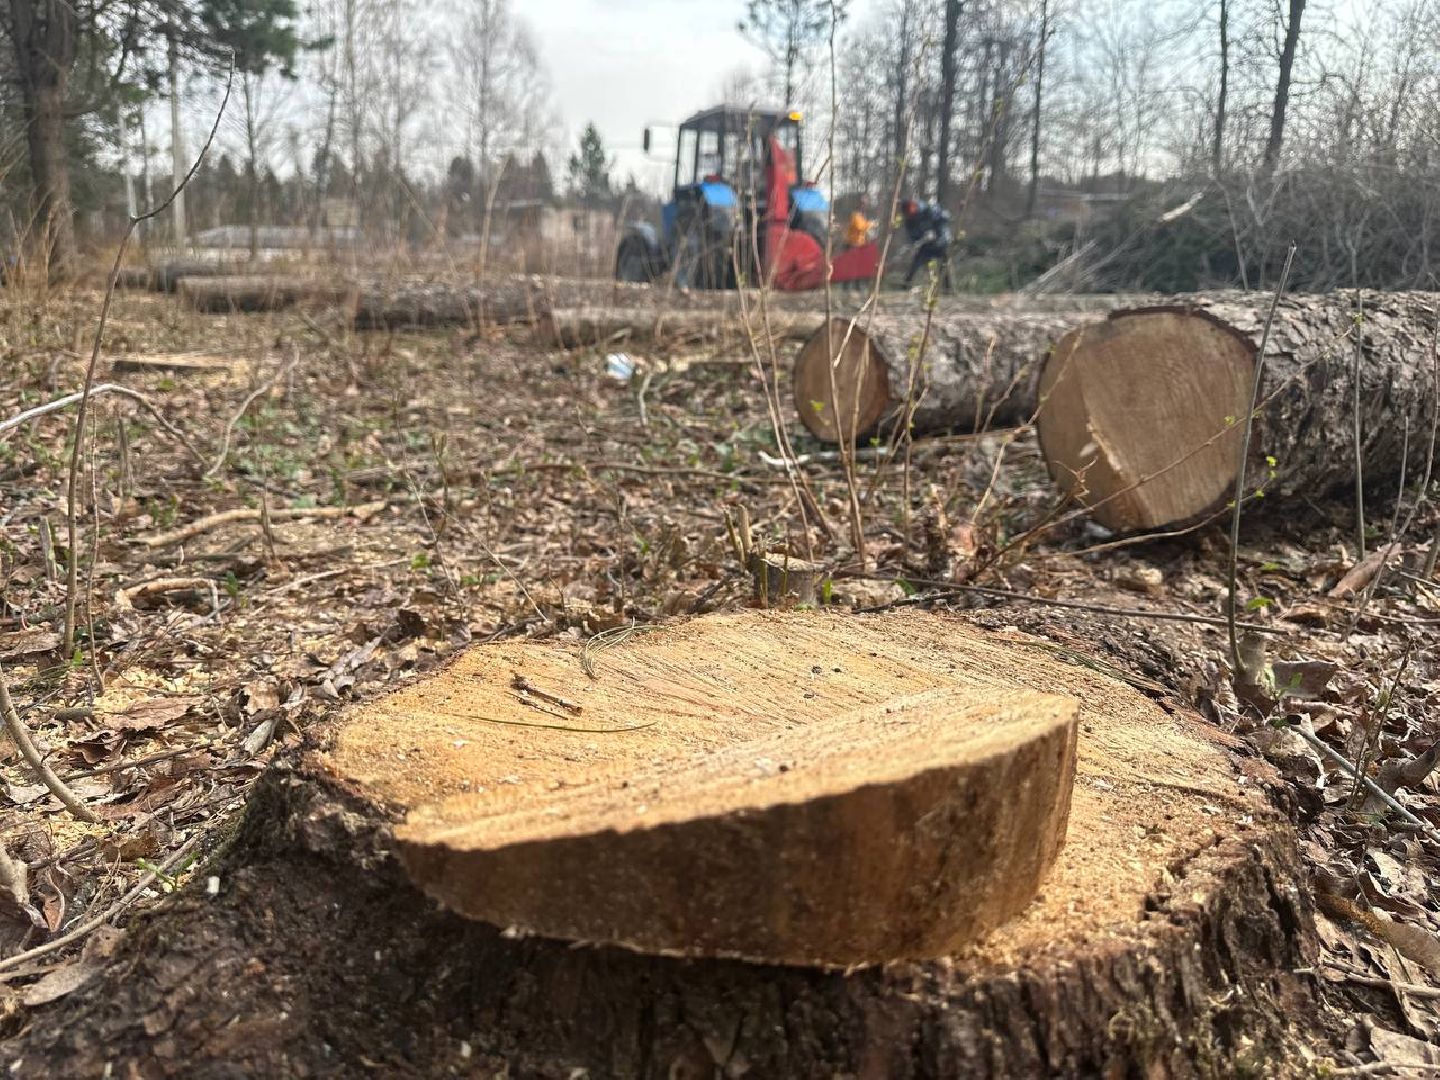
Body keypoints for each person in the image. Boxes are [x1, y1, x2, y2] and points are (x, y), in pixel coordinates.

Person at [900, 198, 954, 290]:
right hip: (925, 245)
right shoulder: (909, 220)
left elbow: (944, 218)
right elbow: (912, 234)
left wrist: (936, 233)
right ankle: (906, 285)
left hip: (940, 242)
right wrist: (914, 243)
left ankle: (948, 288)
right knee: (916, 263)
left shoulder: (929, 210)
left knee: (944, 265)